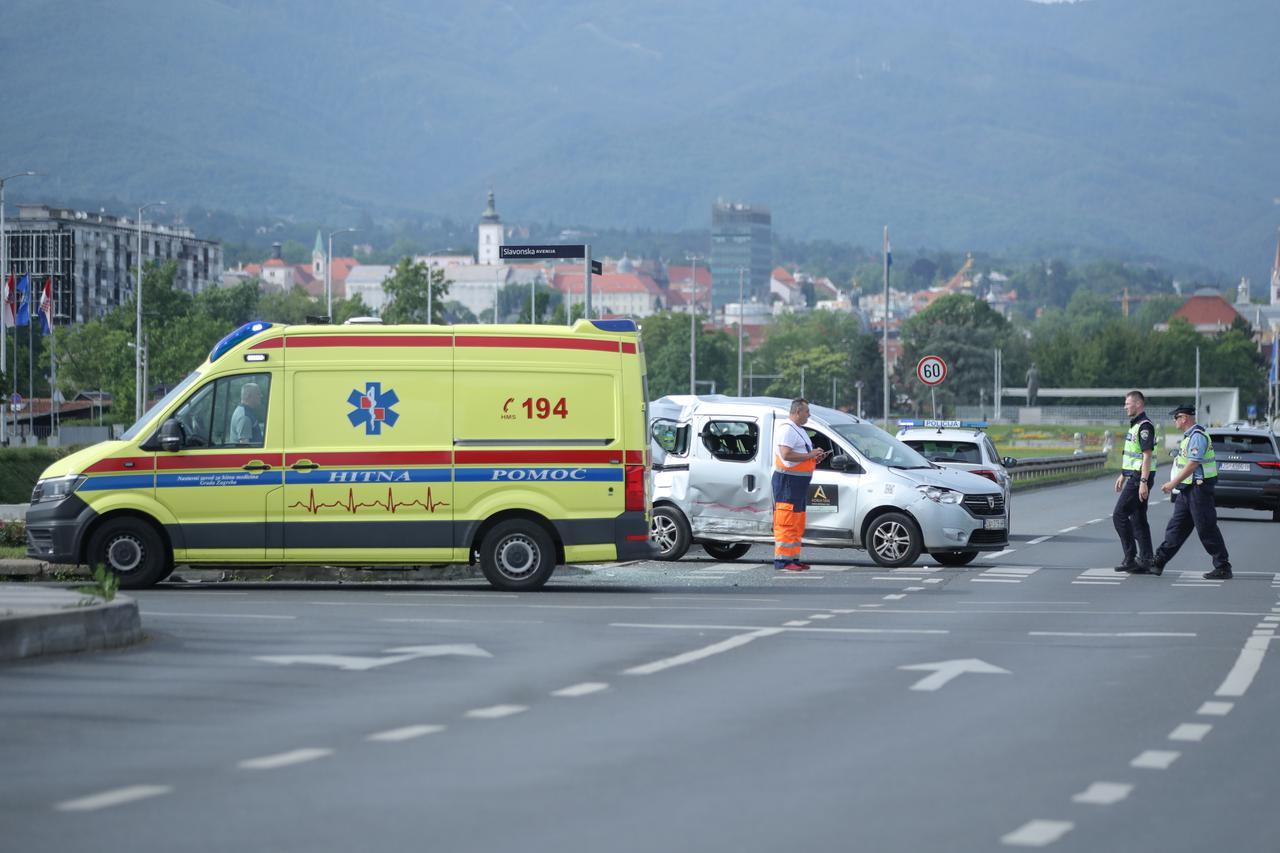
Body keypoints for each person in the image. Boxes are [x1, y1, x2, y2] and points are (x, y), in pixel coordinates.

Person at [1142, 404, 1231, 579]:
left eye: (1176, 417)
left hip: (1199, 489)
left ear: (1184, 418)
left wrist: (1172, 483)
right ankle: (1159, 560)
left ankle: (1222, 566)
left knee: (1206, 527)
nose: (1174, 421)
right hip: (1187, 489)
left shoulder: (1197, 437)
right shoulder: (1189, 436)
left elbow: (1193, 464)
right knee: (1176, 527)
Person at [772, 398, 828, 572]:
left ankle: (793, 558)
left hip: (797, 483)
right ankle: (782, 560)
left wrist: (813, 457)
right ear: (797, 412)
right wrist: (810, 454)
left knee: (797, 522)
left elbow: (801, 455)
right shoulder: (787, 430)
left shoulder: (799, 430)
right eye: (806, 411)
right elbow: (786, 454)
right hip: (787, 481)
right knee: (786, 522)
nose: (809, 415)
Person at [1112, 390, 1156, 572]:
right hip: (1136, 475)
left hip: (1140, 477)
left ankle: (1130, 558)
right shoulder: (1135, 425)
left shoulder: (1145, 426)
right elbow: (1134, 454)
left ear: (1138, 404)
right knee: (1138, 519)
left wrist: (1143, 482)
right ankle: (1146, 559)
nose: (1125, 407)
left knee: (1119, 514)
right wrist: (1123, 474)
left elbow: (1146, 456)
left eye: (1127, 403)